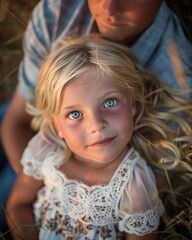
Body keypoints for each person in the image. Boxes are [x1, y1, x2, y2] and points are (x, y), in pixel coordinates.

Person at [1, 0, 192, 231]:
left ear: (135, 102)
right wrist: (45, 186)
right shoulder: (58, 11)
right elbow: (15, 122)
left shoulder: (180, 76)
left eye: (110, 102)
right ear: (56, 123)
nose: (108, 8)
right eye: (76, 113)